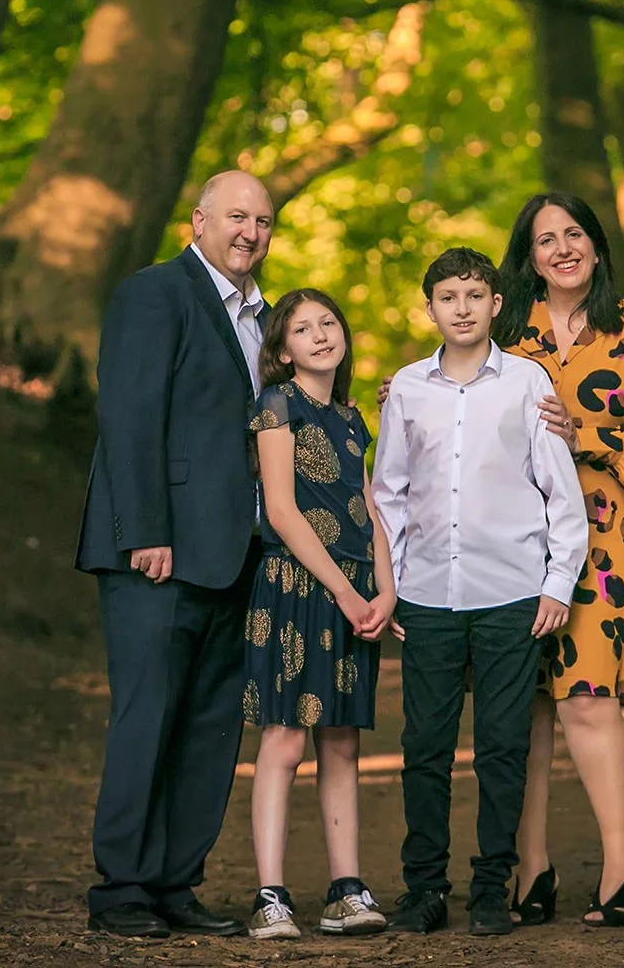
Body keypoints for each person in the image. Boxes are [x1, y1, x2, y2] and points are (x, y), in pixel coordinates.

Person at [75, 170, 275, 939]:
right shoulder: (155, 292)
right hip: (155, 549)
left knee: (209, 723)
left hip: (236, 550)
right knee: (147, 712)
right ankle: (122, 883)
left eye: (262, 220)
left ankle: (174, 880)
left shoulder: (260, 317)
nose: (249, 231)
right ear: (199, 220)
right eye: (236, 216)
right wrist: (144, 531)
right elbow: (128, 415)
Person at [372, 247, 588, 938]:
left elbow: (562, 491)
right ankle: (425, 887)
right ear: (429, 306)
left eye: (474, 294)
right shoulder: (407, 388)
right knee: (425, 747)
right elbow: (389, 496)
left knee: (502, 746)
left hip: (511, 595)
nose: (461, 307)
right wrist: (393, 587)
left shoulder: (529, 382)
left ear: (496, 304)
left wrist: (557, 583)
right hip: (429, 596)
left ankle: (493, 885)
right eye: (447, 296)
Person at [496, 191, 624, 930]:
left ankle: (620, 859)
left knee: (586, 699)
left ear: (597, 247)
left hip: (602, 541)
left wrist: (590, 440)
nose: (562, 247)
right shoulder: (506, 329)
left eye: (574, 234)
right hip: (508, 540)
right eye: (546, 239)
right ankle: (531, 867)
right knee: (524, 706)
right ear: (530, 257)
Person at [240, 288, 395, 940]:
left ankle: (346, 888)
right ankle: (271, 896)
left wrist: (385, 589)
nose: (321, 333)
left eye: (329, 322)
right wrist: (344, 590)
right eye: (303, 328)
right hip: (297, 586)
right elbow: (280, 509)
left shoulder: (354, 417)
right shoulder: (277, 406)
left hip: (355, 593)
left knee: (341, 739)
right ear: (282, 350)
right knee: (284, 737)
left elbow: (369, 505)